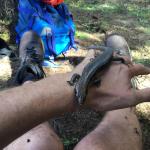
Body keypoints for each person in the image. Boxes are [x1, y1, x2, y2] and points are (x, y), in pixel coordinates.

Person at [2, 31, 150, 150]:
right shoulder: (83, 84)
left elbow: (86, 81)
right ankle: (124, 92)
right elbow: (85, 82)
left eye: (80, 95)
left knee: (38, 142)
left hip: (104, 60)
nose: (80, 99)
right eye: (79, 95)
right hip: (96, 66)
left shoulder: (82, 83)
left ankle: (122, 66)